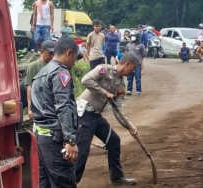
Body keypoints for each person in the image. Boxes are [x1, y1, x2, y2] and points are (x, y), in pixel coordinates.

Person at [75, 52, 139, 186]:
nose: (133, 71)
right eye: (133, 68)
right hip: (83, 114)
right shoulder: (103, 69)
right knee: (82, 151)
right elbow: (85, 80)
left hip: (96, 115)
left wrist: (130, 126)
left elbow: (118, 110)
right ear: (127, 64)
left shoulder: (121, 86)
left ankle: (117, 177)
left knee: (114, 141)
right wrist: (104, 93)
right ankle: (70, 183)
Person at [31, 36, 78, 188]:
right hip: (54, 139)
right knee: (64, 183)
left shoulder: (40, 74)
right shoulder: (60, 73)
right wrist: (70, 140)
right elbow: (63, 106)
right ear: (69, 53)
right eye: (75, 58)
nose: (74, 63)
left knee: (45, 183)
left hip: (41, 138)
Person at [26, 40, 55, 119]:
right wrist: (29, 109)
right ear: (42, 52)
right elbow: (29, 88)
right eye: (49, 53)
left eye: (53, 54)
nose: (52, 56)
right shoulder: (33, 66)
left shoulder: (54, 66)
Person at [125, 30, 145, 96]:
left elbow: (143, 56)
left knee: (138, 78)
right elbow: (126, 54)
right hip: (130, 64)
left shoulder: (141, 46)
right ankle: (129, 90)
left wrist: (142, 68)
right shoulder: (128, 45)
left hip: (137, 65)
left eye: (134, 36)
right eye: (132, 36)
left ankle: (138, 90)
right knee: (129, 78)